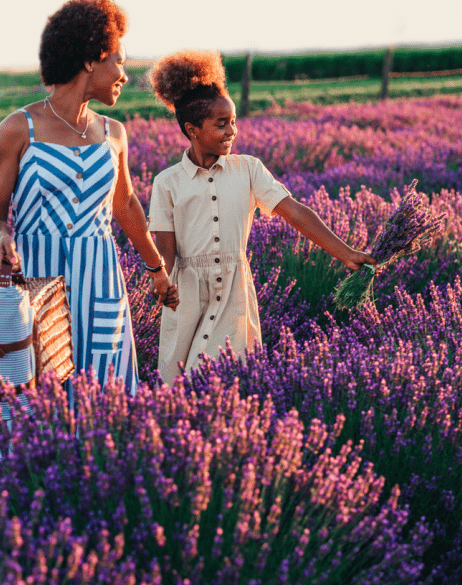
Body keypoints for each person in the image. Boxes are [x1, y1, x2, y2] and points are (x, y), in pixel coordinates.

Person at [0, 0, 177, 397]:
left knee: (108, 399)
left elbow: (126, 207)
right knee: (37, 399)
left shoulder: (114, 133)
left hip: (101, 283)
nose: (124, 74)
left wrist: (157, 270)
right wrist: (0, 236)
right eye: (119, 62)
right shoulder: (19, 129)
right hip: (39, 281)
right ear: (91, 58)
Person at [147, 50, 378, 382]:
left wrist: (347, 253)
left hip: (233, 292)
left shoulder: (249, 170)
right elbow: (165, 247)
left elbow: (296, 212)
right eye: (221, 124)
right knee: (178, 382)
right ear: (192, 129)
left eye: (234, 122)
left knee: (216, 375)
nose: (233, 132)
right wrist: (163, 281)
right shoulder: (167, 182)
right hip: (186, 292)